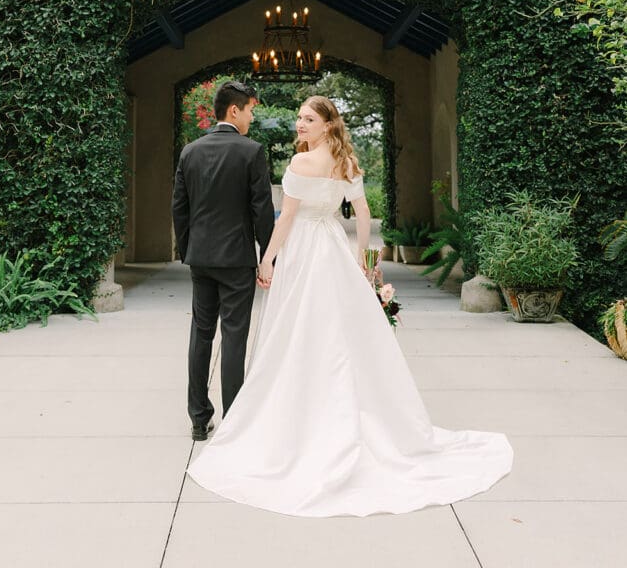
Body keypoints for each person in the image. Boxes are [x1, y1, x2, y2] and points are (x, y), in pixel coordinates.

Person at [187, 95, 513, 517]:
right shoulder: (347, 164)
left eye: (307, 119)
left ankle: (303, 418)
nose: (299, 125)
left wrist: (267, 258)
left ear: (326, 125)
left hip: (304, 255)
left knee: (299, 333)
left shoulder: (300, 165)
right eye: (299, 118)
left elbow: (286, 220)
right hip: (334, 253)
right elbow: (362, 212)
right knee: (340, 334)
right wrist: (362, 258)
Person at [172, 80, 274, 442]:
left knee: (201, 333)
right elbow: (262, 211)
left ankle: (199, 418)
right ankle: (233, 420)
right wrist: (267, 257)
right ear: (235, 110)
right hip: (236, 260)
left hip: (201, 259)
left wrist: (189, 251)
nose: (251, 117)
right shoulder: (251, 152)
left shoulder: (190, 152)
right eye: (249, 110)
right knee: (234, 337)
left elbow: (179, 210)